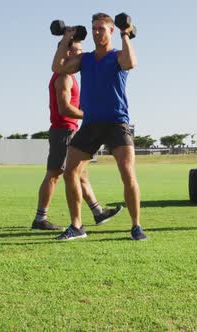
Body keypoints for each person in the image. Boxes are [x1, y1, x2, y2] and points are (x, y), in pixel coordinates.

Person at [51, 13, 147, 240]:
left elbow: (131, 63)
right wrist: (67, 37)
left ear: (110, 31)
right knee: (70, 172)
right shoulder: (84, 59)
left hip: (116, 123)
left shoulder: (117, 56)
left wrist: (126, 34)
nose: (96, 33)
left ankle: (136, 226)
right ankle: (76, 226)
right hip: (91, 124)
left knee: (127, 172)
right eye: (94, 28)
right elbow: (58, 66)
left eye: (101, 29)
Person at [31, 38, 122, 231]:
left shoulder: (68, 76)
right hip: (64, 130)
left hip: (69, 129)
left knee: (80, 173)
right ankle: (40, 219)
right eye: (79, 50)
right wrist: (90, 114)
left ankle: (98, 212)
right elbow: (65, 109)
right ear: (69, 53)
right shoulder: (63, 77)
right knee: (54, 174)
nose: (82, 54)